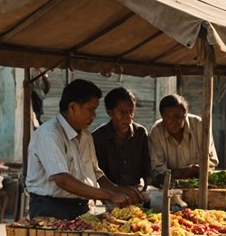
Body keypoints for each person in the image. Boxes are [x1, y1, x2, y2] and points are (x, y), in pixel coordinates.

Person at [26, 79, 144, 220]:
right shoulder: (49, 134)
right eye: (90, 109)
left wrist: (120, 190)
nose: (93, 116)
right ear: (72, 107)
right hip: (51, 208)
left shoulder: (85, 134)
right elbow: (62, 179)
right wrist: (110, 195)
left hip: (82, 207)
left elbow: (96, 174)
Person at [148, 94, 218, 184]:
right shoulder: (157, 131)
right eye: (168, 117)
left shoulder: (199, 125)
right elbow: (158, 170)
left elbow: (211, 161)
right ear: (162, 116)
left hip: (200, 185)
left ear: (185, 114)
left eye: (177, 117)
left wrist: (180, 172)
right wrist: (188, 171)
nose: (173, 122)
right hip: (171, 186)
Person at [92, 87, 152, 189]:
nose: (128, 116)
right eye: (122, 112)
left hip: (138, 193)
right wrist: (117, 191)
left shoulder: (141, 133)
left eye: (131, 111)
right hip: (109, 195)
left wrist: (142, 185)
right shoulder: (98, 137)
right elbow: (98, 175)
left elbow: (147, 170)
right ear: (110, 112)